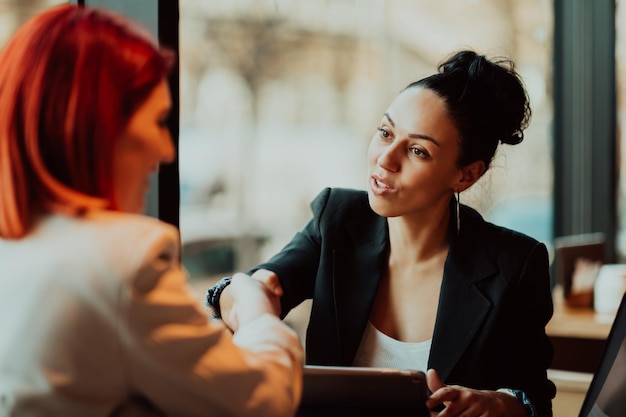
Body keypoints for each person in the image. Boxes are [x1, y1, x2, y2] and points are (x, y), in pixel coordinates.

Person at [208, 50, 556, 417]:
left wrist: (499, 404)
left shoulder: (514, 265)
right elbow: (236, 293)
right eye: (385, 133)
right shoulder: (337, 221)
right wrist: (252, 300)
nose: (386, 159)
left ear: (465, 175)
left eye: (418, 150)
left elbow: (534, 400)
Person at [0, 5, 303, 417]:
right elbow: (263, 400)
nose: (167, 151)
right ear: (98, 126)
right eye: (159, 121)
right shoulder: (122, 263)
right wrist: (254, 311)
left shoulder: (18, 246)